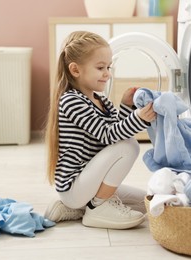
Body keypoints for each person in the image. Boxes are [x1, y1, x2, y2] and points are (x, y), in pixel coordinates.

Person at [44, 31, 156, 229]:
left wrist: (126, 106)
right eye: (100, 68)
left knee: (147, 202)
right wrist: (139, 118)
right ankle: (96, 207)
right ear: (76, 70)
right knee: (129, 146)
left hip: (89, 181)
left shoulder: (100, 99)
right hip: (75, 186)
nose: (107, 73)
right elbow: (108, 135)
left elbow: (113, 135)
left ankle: (78, 208)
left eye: (108, 67)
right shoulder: (71, 101)